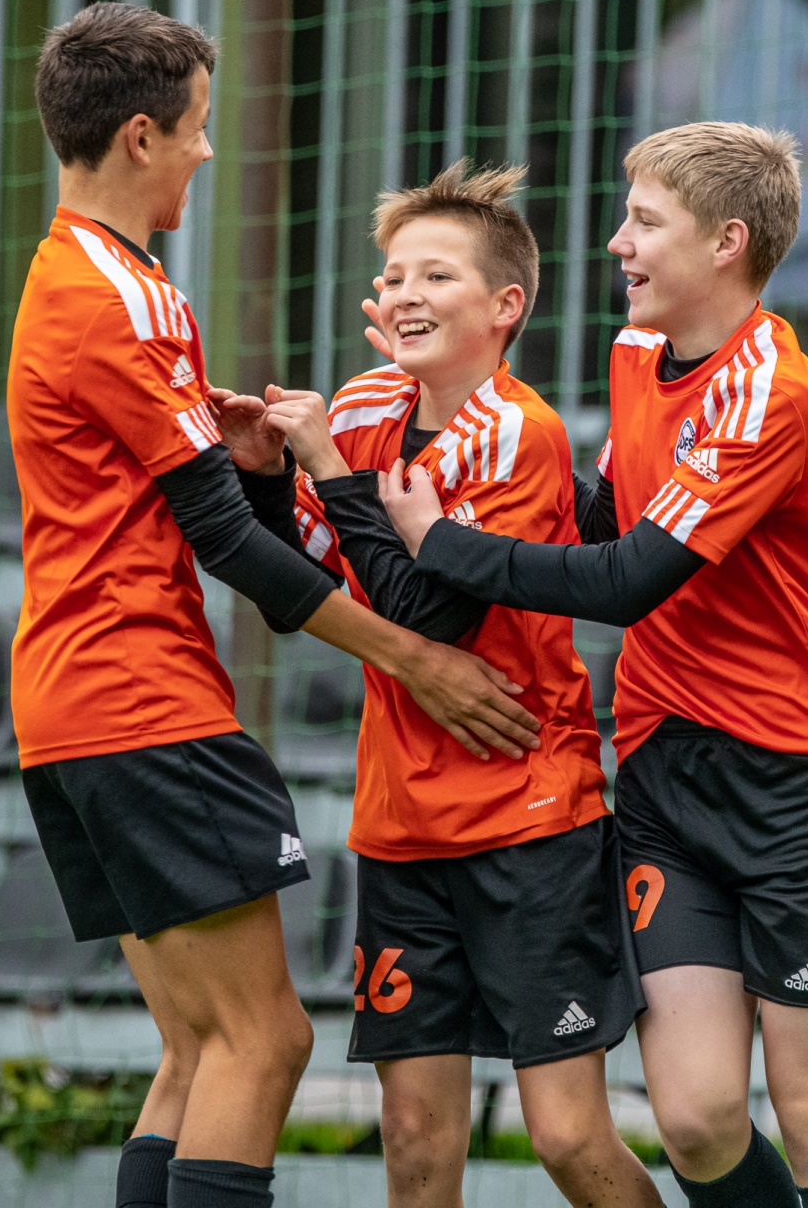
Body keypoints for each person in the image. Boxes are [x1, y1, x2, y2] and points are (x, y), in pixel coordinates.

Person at [10, 3, 541, 1208]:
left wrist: (246, 460)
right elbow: (225, 544)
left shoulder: (67, 274)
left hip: (64, 707)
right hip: (140, 700)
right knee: (266, 1043)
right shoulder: (123, 298)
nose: (206, 151)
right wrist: (413, 657)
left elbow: (189, 494)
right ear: (140, 136)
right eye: (197, 127)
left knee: (197, 1052)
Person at [377, 124, 808, 1208]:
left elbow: (625, 579)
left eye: (644, 222)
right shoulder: (634, 355)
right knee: (696, 1121)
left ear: (725, 243)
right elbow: (602, 512)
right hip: (666, 774)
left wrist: (441, 541)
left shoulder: (770, 393)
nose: (617, 243)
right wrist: (463, 428)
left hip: (796, 786)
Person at [228, 160, 662, 1208]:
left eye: (436, 275)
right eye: (392, 278)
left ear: (505, 306)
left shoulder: (520, 432)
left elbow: (429, 619)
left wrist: (331, 473)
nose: (405, 295)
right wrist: (265, 476)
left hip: (529, 819)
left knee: (567, 1138)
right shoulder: (364, 406)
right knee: (414, 1138)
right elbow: (310, 580)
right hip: (401, 826)